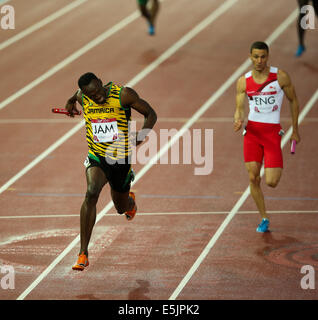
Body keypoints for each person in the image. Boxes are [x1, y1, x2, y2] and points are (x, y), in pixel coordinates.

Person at [65, 72, 157, 270]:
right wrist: (70, 102)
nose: (97, 96)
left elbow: (151, 113)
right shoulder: (84, 97)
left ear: (100, 82)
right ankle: (83, 253)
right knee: (91, 193)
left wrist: (142, 134)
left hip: (120, 160)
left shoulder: (123, 95)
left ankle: (129, 201)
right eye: (91, 95)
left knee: (120, 207)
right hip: (97, 156)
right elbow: (75, 96)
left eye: (98, 91)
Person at [234, 41, 300, 233]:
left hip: (272, 134)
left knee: (271, 182)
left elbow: (293, 100)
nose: (259, 60)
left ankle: (264, 214)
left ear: (267, 57)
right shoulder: (243, 82)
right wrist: (238, 120)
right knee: (253, 178)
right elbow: (239, 110)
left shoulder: (280, 77)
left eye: (263, 57)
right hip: (252, 134)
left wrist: (295, 129)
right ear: (250, 57)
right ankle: (264, 217)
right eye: (256, 56)